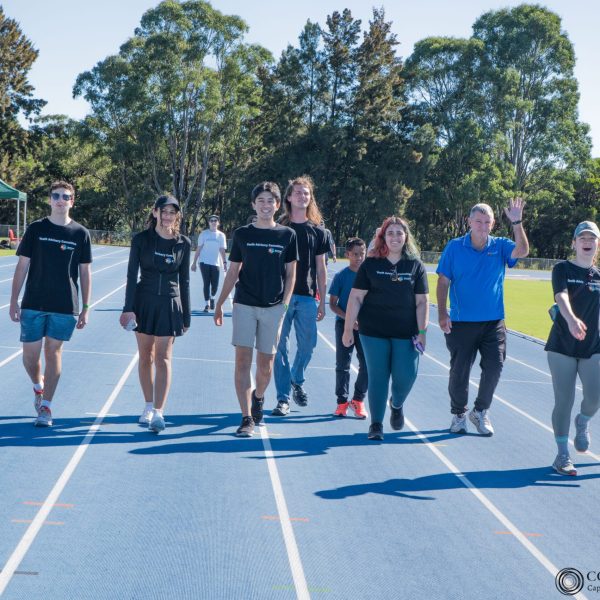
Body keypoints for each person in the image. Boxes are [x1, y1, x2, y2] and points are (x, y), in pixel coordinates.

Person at [436, 198, 529, 436]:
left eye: (487, 222)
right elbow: (443, 281)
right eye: (478, 221)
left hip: (493, 321)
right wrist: (442, 312)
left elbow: (523, 251)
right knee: (460, 371)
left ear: (493, 223)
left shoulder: (500, 246)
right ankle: (458, 414)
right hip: (462, 322)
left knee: (495, 366)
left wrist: (517, 222)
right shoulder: (454, 247)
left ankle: (479, 411)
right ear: (469, 222)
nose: (483, 225)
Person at [214, 182, 297, 437]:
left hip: (273, 308)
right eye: (260, 200)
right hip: (244, 304)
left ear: (277, 205)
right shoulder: (242, 234)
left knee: (265, 365)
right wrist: (219, 303)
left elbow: (291, 274)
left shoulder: (287, 235)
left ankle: (259, 397)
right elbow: (232, 272)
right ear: (253, 205)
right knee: (242, 362)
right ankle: (246, 417)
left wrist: (283, 305)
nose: (265, 205)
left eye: (270, 200)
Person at [8, 180, 92, 427]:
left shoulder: (80, 233)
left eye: (65, 196)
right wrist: (14, 301)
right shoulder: (35, 229)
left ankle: (46, 407)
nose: (60, 200)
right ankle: (38, 386)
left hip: (65, 305)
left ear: (71, 201)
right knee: (30, 358)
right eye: (56, 196)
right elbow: (22, 265)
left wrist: (86, 307)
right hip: (34, 302)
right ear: (49, 200)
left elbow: (85, 273)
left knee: (53, 352)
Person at [343, 217, 428, 440]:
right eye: (390, 233)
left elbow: (422, 302)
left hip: (405, 332)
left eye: (399, 233)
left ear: (406, 237)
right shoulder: (370, 265)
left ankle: (397, 403)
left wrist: (422, 333)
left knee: (406, 376)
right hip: (373, 331)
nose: (395, 237)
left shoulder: (415, 266)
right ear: (383, 237)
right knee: (378, 376)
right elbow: (356, 298)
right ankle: (376, 424)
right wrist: (347, 328)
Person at [120, 195, 191, 433]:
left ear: (176, 216)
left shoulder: (183, 243)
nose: (168, 216)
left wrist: (186, 315)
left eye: (173, 212)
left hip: (170, 305)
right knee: (146, 356)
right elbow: (131, 275)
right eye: (165, 211)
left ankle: (159, 411)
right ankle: (148, 406)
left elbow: (185, 281)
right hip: (144, 302)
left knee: (163, 358)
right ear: (155, 212)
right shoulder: (141, 240)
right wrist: (127, 309)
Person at [545, 221, 600, 476]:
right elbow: (561, 297)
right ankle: (562, 455)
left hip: (593, 346)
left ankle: (583, 421)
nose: (587, 241)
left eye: (592, 238)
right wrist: (571, 319)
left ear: (597, 245)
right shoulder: (562, 269)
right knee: (564, 400)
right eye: (582, 237)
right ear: (574, 243)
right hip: (561, 345)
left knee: (594, 397)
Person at [272, 175, 329, 416]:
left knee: (308, 345)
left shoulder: (319, 231)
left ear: (310, 198)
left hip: (307, 296)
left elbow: (321, 268)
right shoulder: (279, 229)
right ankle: (283, 398)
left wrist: (322, 301)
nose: (302, 196)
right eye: (298, 193)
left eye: (306, 193)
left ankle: (297, 376)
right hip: (280, 297)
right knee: (279, 347)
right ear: (288, 197)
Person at [329, 238, 368, 418]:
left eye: (362, 253)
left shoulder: (369, 275)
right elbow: (333, 305)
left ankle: (358, 400)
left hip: (366, 327)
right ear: (347, 255)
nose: (359, 257)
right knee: (343, 365)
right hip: (343, 325)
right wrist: (349, 320)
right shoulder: (341, 276)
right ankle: (342, 402)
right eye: (355, 254)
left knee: (367, 364)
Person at [191, 215, 227, 312]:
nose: (213, 222)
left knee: (215, 285)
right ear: (209, 222)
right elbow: (199, 249)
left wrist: (224, 262)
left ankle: (212, 297)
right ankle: (206, 304)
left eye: (215, 220)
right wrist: (194, 263)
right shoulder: (204, 234)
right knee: (206, 283)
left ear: (218, 223)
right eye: (211, 220)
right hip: (204, 262)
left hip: (216, 263)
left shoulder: (221, 235)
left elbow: (222, 250)